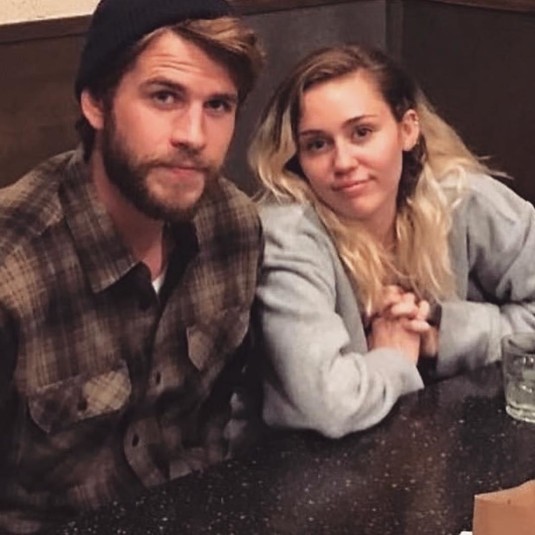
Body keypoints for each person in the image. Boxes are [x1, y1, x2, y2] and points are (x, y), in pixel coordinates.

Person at [0, 0, 264, 532]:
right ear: (97, 103)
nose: (194, 135)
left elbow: (213, 426)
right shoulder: (15, 267)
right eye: (164, 96)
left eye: (218, 105)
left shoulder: (233, 228)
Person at [249, 44, 535, 439]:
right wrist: (394, 357)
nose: (343, 162)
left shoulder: (464, 197)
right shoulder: (287, 234)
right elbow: (327, 403)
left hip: (445, 442)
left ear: (407, 129)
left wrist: (442, 336)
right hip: (307, 465)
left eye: (361, 133)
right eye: (317, 144)